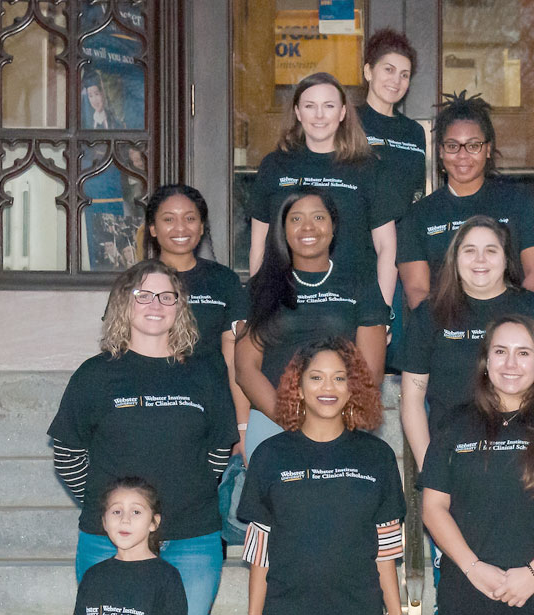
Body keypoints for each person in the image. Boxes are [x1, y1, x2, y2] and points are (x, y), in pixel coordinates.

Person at [49, 259, 234, 615]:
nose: (155, 304)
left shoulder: (206, 373)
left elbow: (217, 451)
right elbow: (68, 454)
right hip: (110, 542)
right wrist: (111, 505)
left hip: (191, 538)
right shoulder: (94, 375)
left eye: (167, 296)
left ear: (180, 306)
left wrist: (184, 494)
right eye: (143, 295)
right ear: (124, 303)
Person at [420, 315, 534, 614]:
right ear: (486, 361)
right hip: (468, 586)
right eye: (500, 351)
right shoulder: (454, 423)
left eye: (524, 353)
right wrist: (474, 568)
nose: (511, 363)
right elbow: (433, 508)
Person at [237, 338, 406, 615]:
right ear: (298, 388)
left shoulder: (378, 456)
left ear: (352, 388)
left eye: (339, 378)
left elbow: (385, 552)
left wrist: (396, 612)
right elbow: (260, 554)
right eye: (316, 377)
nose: (328, 387)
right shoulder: (269, 455)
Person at [401, 215, 534, 470]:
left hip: (526, 458)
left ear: (506, 259)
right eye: (469, 251)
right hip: (453, 460)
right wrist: (430, 470)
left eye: (491, 251)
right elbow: (412, 401)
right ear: (454, 259)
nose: (480, 260)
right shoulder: (428, 316)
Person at [236, 189, 390, 461]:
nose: (308, 227)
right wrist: (293, 422)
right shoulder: (260, 288)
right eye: (296, 219)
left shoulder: (360, 283)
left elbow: (371, 370)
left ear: (333, 227)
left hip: (344, 426)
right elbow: (246, 369)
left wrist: (331, 427)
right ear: (282, 230)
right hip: (274, 425)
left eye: (318, 217)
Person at [248, 72, 404, 307]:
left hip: (351, 306)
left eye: (328, 106)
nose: (319, 115)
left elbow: (387, 247)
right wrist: (258, 306)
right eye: (310, 106)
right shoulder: (274, 165)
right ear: (298, 112)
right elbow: (259, 243)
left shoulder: (369, 168)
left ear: (342, 112)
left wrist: (381, 313)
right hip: (285, 304)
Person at [397, 93, 534, 309]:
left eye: (473, 145)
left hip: (509, 329)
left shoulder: (519, 203)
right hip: (446, 333)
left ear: (488, 149)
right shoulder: (419, 216)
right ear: (441, 151)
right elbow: (417, 291)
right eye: (453, 146)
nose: (463, 155)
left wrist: (506, 328)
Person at [146, 183, 251, 458]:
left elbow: (235, 358)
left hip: (212, 413)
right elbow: (121, 350)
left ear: (202, 226)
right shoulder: (136, 281)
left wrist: (242, 425)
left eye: (190, 218)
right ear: (153, 228)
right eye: (168, 219)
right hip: (153, 409)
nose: (180, 228)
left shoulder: (224, 280)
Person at [73, 477, 187, 615]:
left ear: (154, 522)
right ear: (104, 521)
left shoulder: (166, 577)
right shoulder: (93, 576)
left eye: (136, 512)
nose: (125, 520)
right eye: (116, 512)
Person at [358, 28, 426, 210]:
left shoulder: (414, 131)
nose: (396, 81)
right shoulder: (347, 122)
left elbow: (418, 193)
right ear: (369, 72)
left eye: (404, 75)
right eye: (389, 70)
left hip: (404, 233)